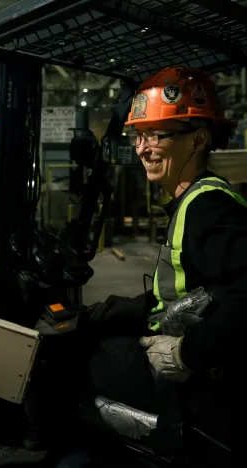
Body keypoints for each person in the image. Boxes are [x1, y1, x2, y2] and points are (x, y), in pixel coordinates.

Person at [83, 66, 244, 451]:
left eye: (157, 135)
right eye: (139, 136)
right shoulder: (194, 201)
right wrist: (129, 308)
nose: (142, 148)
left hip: (193, 379)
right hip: (183, 357)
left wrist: (190, 352)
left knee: (68, 363)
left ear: (198, 139)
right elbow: (198, 288)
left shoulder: (209, 208)